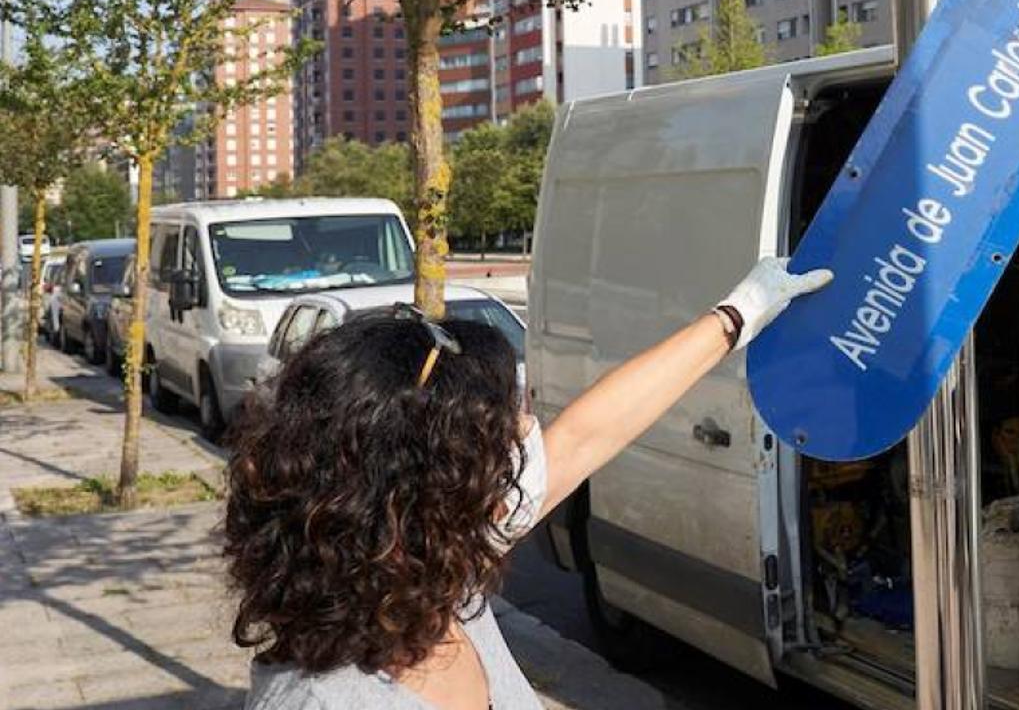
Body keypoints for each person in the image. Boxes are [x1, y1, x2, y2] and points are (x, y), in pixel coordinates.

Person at [223, 257, 831, 709]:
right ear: (427, 488)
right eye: (499, 430)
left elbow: (588, 434)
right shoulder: (324, 701)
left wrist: (735, 316)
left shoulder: (433, 578)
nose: (528, 429)